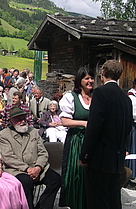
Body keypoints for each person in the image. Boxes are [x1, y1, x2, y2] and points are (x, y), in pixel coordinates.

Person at [79, 60, 133, 209]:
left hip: (100, 157)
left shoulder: (100, 93)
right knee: (114, 198)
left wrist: (85, 155)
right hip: (117, 158)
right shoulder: (126, 99)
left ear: (102, 73)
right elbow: (128, 127)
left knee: (97, 199)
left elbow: (94, 127)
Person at [0, 107, 61, 209]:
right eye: (19, 119)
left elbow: (43, 153)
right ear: (11, 121)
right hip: (17, 169)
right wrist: (27, 169)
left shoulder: (34, 132)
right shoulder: (4, 135)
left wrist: (38, 167)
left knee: (55, 179)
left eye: (24, 118)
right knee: (26, 183)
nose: (23, 121)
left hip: (36, 167)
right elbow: (8, 157)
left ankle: (42, 206)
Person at [58, 67, 94, 209]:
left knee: (91, 176)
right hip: (76, 142)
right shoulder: (71, 97)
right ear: (80, 81)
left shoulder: (96, 97)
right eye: (87, 78)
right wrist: (84, 123)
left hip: (93, 142)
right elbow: (65, 121)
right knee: (77, 175)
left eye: (91, 78)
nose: (90, 81)